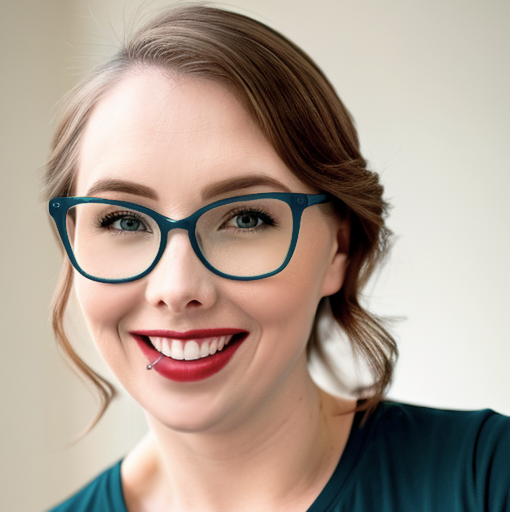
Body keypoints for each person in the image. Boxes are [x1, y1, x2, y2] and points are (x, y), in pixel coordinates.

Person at [44, 5, 509, 512]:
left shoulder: (487, 479)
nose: (176, 288)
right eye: (126, 221)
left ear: (339, 248)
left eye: (245, 218)